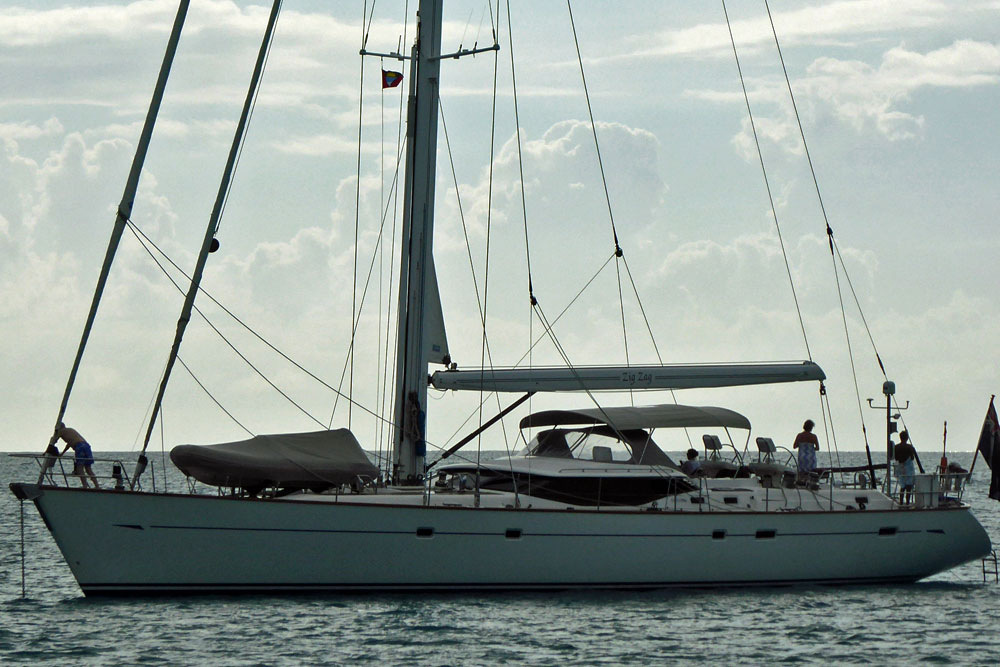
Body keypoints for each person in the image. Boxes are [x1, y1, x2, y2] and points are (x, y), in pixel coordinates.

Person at [54, 422, 100, 489]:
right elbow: (69, 443)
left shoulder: (61, 432)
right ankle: (97, 486)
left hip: (79, 447)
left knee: (80, 468)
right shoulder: (70, 430)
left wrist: (55, 435)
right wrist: (62, 453)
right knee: (88, 468)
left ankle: (85, 486)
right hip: (86, 446)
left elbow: (54, 440)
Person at [894, 430, 917, 504]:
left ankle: (901, 502)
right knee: (909, 487)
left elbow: (896, 458)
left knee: (902, 486)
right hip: (908, 469)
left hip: (900, 468)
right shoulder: (909, 447)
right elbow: (912, 457)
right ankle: (907, 502)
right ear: (907, 438)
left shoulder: (896, 447)